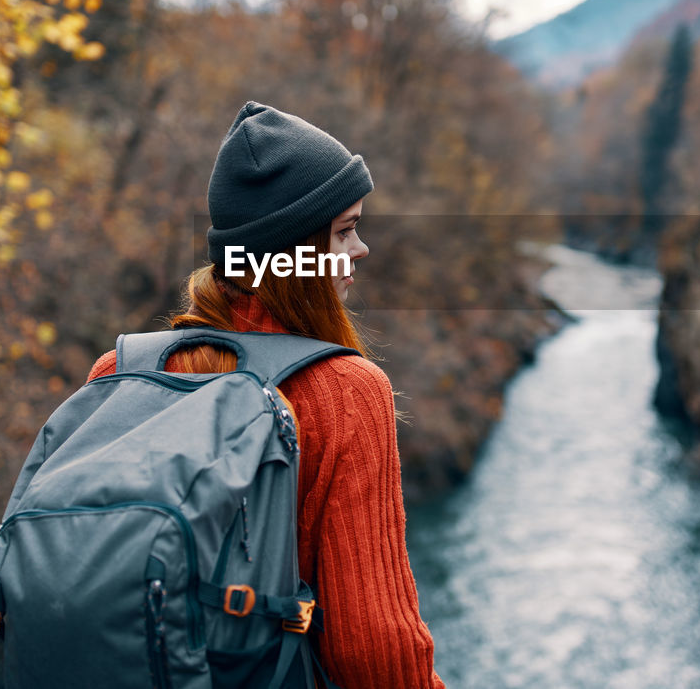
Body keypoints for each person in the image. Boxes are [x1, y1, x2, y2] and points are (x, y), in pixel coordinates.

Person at [86, 101, 446, 688]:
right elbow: (377, 652)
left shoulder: (116, 371)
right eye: (345, 231)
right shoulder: (346, 393)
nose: (361, 250)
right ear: (292, 251)